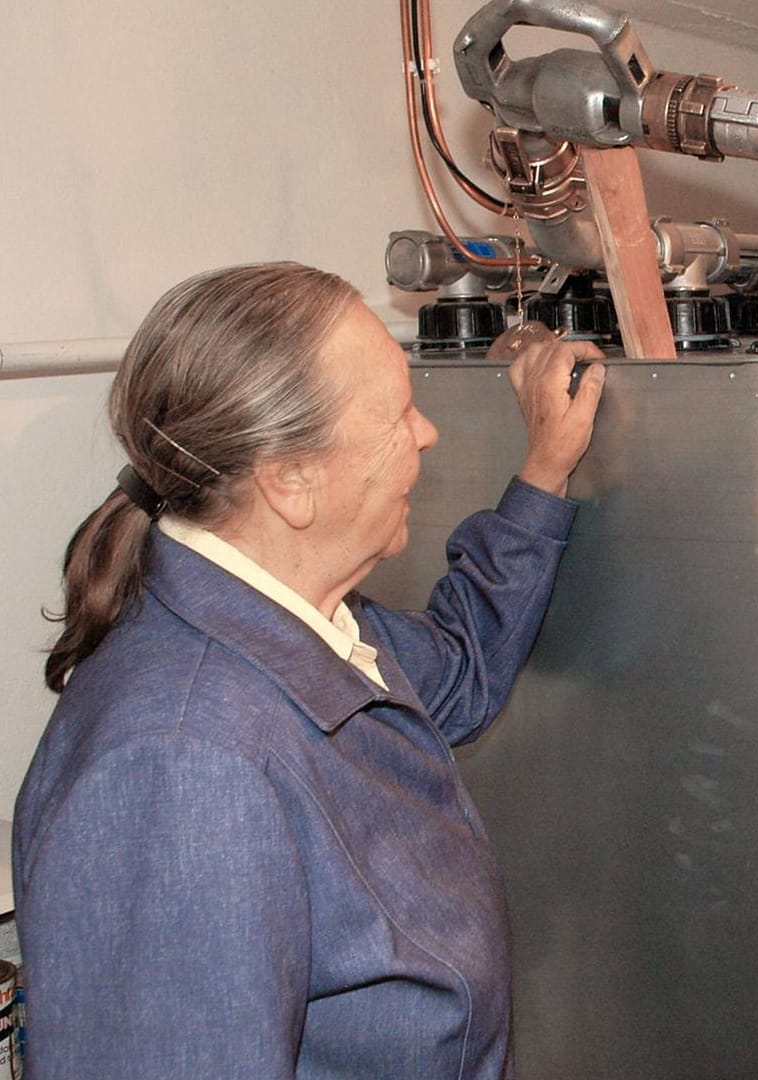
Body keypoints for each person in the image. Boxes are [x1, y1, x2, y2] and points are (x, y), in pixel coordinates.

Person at [11, 261, 605, 1077]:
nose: (426, 433)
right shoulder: (186, 767)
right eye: (396, 414)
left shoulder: (297, 619)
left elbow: (458, 674)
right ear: (290, 479)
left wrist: (543, 473)